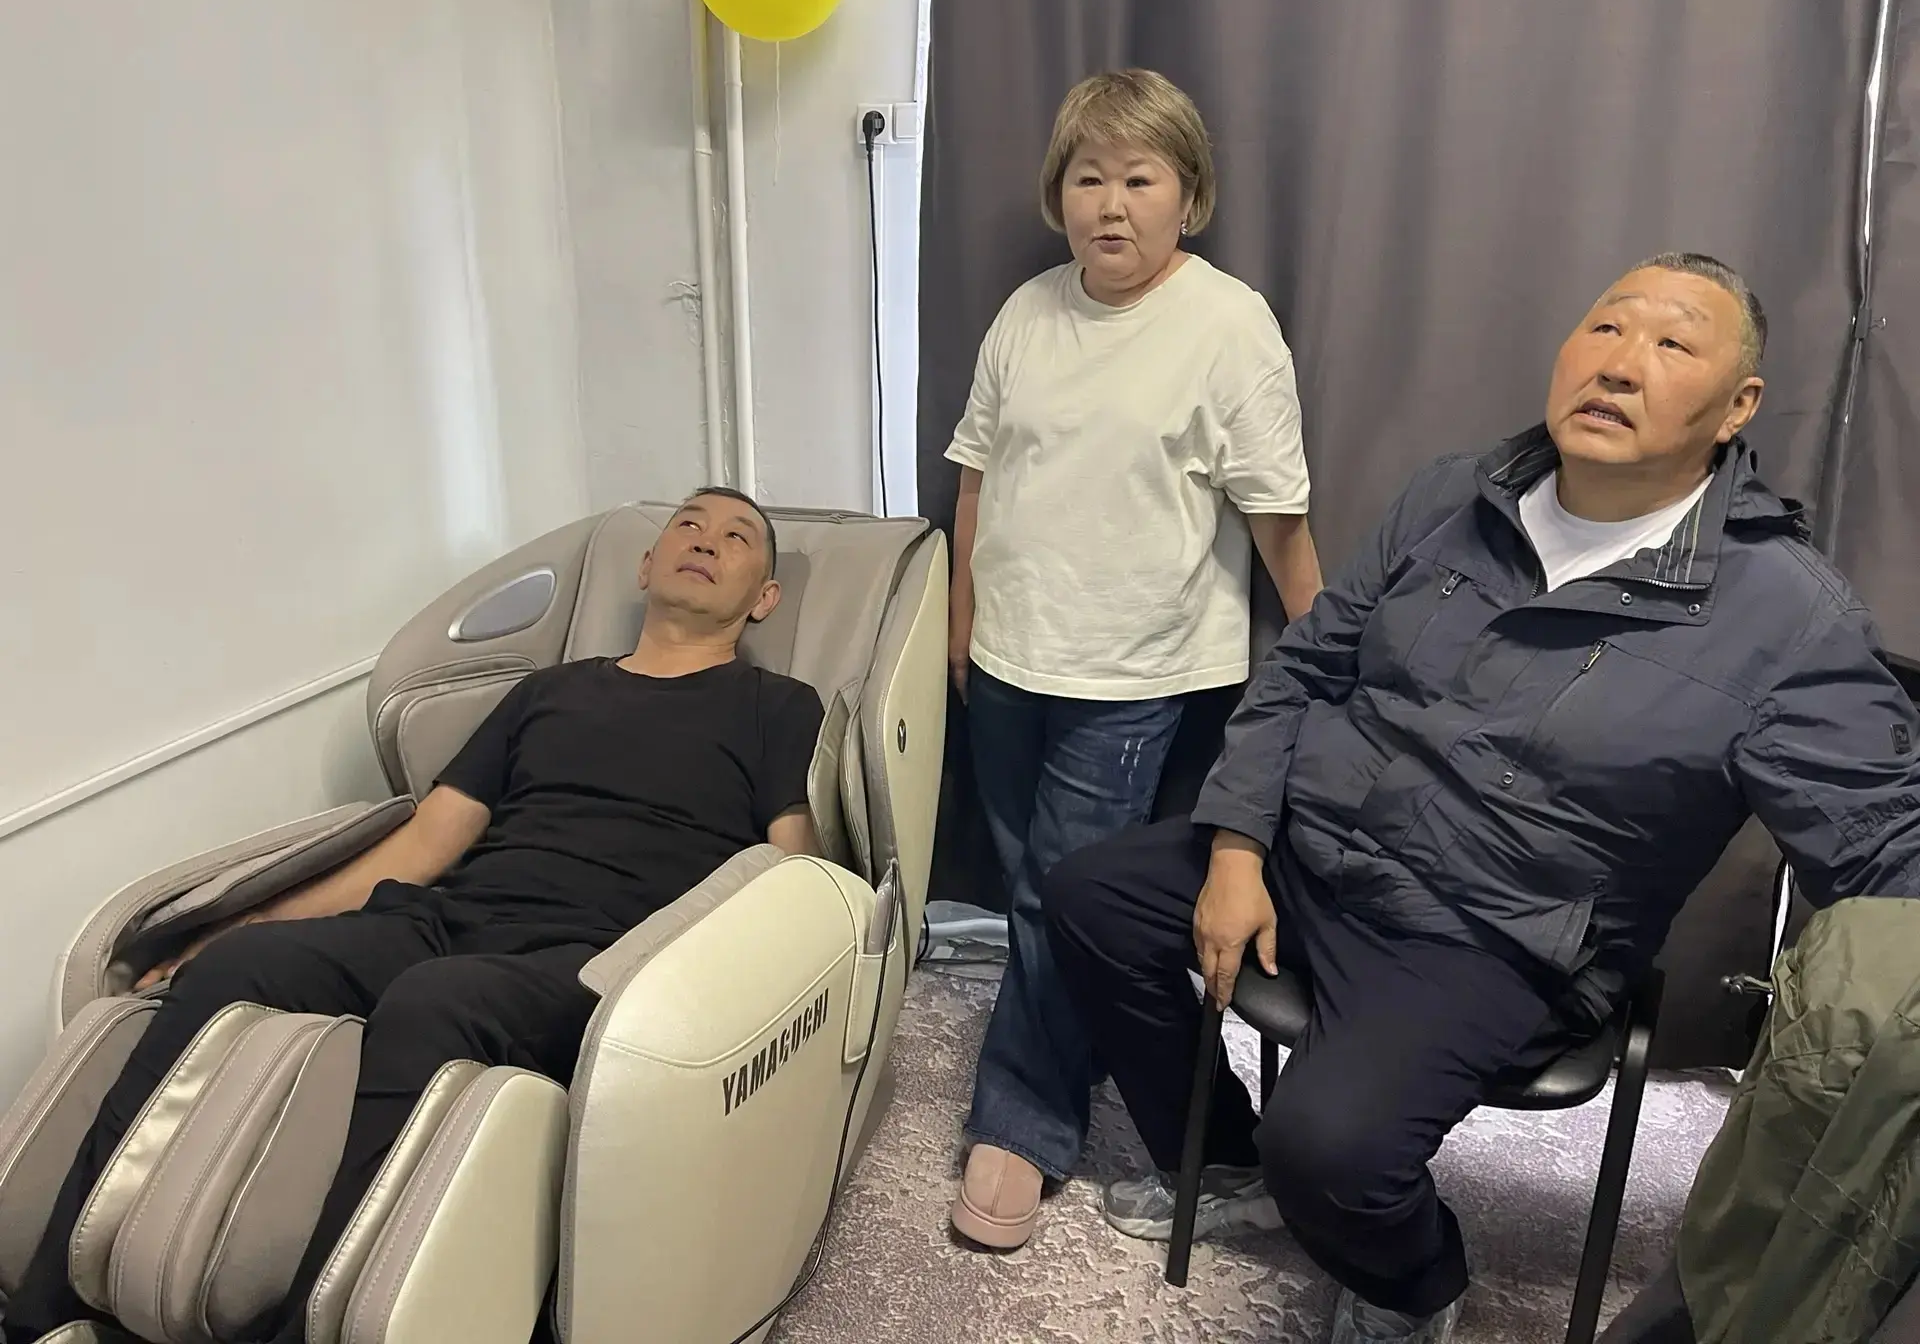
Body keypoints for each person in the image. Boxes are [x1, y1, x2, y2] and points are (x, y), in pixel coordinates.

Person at [1043, 254, 1920, 1344]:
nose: (1621, 365)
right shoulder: (1455, 494)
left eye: (1672, 344)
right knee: (1090, 899)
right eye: (1607, 328)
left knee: (1333, 1151)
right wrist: (1235, 849)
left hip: (1492, 935)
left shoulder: (1788, 618)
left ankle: (1415, 1284)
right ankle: (1227, 1157)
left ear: (1738, 406)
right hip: (1317, 853)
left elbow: (1888, 853)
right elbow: (1307, 669)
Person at [4, 487, 826, 1344]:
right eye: (688, 524)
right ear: (647, 566)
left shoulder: (776, 706)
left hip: (602, 958)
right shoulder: (546, 693)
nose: (706, 540)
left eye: (737, 538)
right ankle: (49, 1301)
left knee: (434, 1003)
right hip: (448, 920)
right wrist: (243, 926)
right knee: (228, 970)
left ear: (763, 598)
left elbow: (792, 872)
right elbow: (425, 843)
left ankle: (309, 1326)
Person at [945, 67, 1325, 1251]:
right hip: (1009, 655)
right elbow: (977, 476)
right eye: (1088, 178)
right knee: (1031, 887)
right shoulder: (1027, 311)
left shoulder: (1229, 325)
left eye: (1140, 179)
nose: (1110, 204)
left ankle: (1021, 1122)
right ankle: (1109, 1053)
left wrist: (1328, 670)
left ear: (1188, 196)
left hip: (1136, 672)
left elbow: (1278, 522)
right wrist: (961, 623)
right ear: (1058, 194)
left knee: (1055, 897)